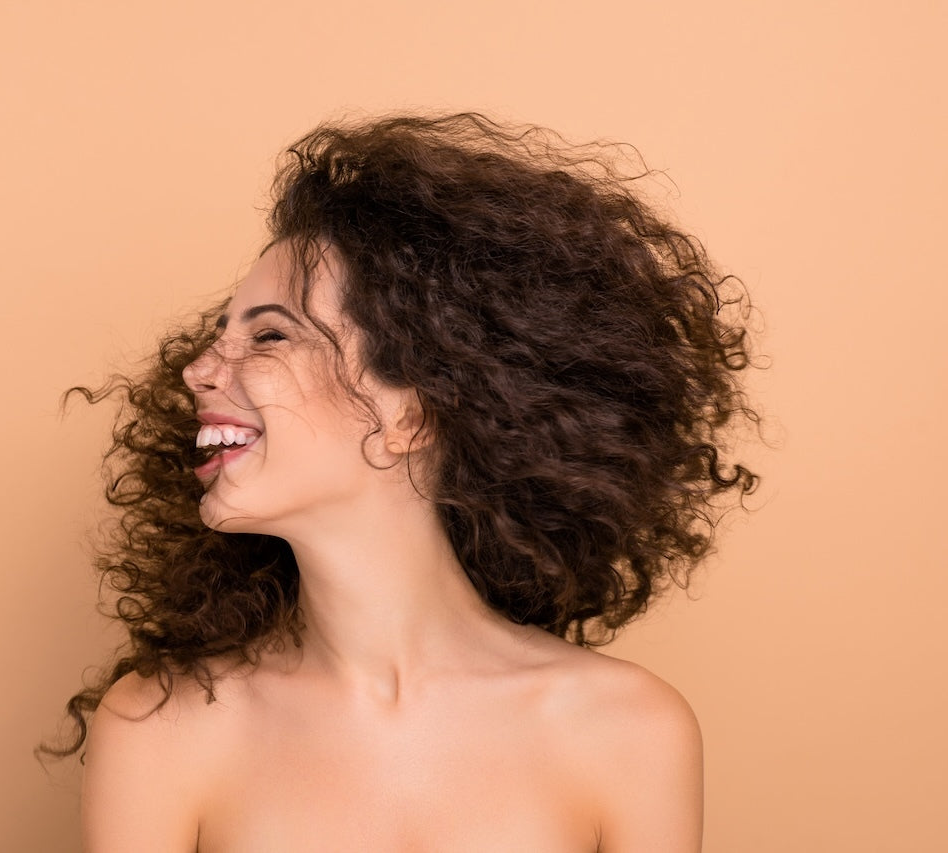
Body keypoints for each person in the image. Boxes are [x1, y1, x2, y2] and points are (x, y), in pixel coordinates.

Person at [46, 113, 758, 852]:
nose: (199, 372)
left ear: (411, 412)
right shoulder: (159, 728)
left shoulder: (629, 730)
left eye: (269, 335)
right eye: (219, 338)